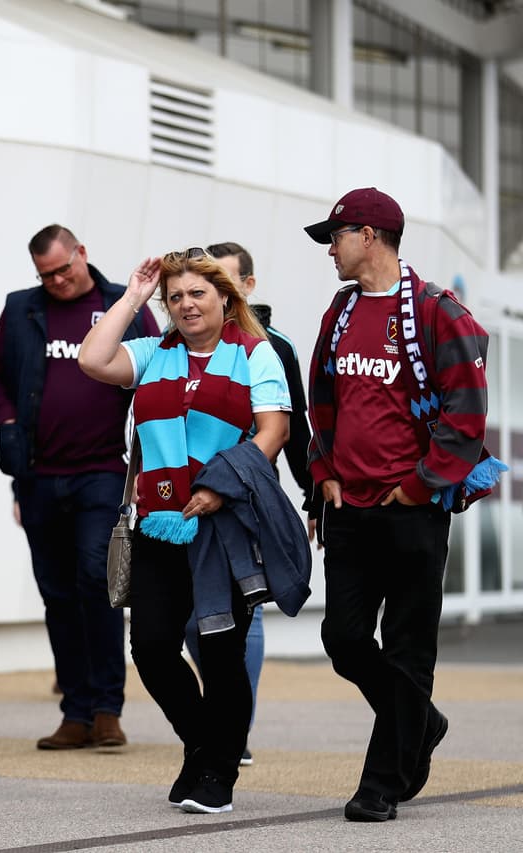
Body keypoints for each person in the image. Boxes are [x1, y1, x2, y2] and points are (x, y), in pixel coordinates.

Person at [77, 248, 310, 814]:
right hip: (158, 524)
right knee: (153, 649)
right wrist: (133, 296)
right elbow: (91, 359)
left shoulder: (257, 354)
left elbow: (273, 431)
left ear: (225, 299)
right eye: (175, 296)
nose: (185, 305)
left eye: (197, 294)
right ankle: (205, 744)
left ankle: (218, 775)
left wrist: (220, 484)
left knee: (221, 653)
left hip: (225, 527)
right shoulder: (151, 352)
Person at [303, 188, 500, 822]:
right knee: (344, 637)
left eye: (336, 236)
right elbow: (323, 402)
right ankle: (423, 721)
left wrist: (420, 484)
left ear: (370, 236)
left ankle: (381, 784)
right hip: (350, 505)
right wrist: (323, 471)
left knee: (409, 644)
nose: (329, 249)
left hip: (413, 507)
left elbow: (466, 414)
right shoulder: (339, 313)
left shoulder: (441, 313)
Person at [0, 224, 159, 751]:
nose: (56, 280)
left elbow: (152, 369)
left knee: (96, 583)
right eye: (45, 274)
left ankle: (107, 710)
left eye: (63, 268)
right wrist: (7, 424)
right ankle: (74, 712)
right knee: (56, 593)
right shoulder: (20, 309)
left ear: (82, 253)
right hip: (38, 476)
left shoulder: (120, 306)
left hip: (102, 473)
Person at [179, 241, 316, 766]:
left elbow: (292, 426)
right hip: (182, 502)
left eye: (221, 283)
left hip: (245, 496)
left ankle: (238, 729)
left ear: (245, 287)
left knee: (241, 613)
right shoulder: (176, 345)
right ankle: (224, 713)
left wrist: (310, 497)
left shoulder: (271, 347)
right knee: (193, 622)